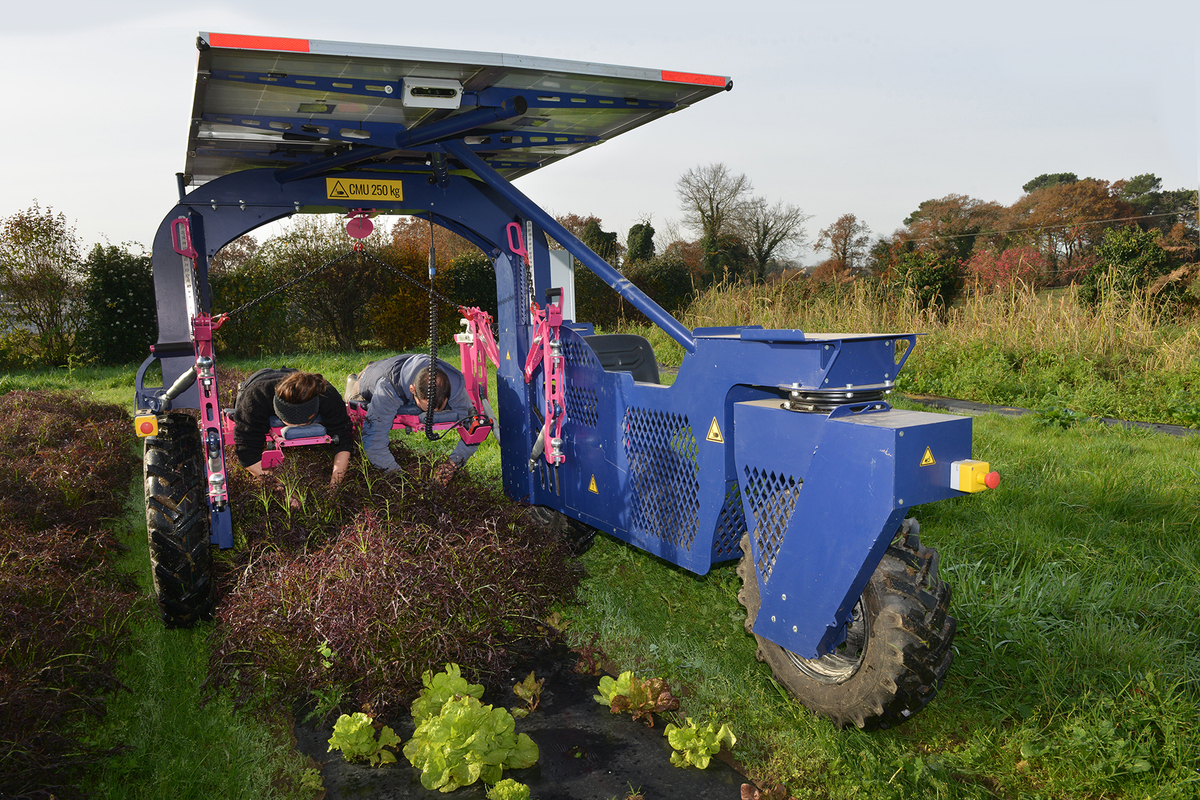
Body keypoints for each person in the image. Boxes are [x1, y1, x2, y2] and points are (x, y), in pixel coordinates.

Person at [346, 354, 491, 483]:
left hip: (405, 364)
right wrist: (400, 479)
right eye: (426, 408)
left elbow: (473, 431)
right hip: (370, 378)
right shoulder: (388, 389)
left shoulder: (452, 385)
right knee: (351, 407)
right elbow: (373, 443)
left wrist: (451, 465)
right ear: (412, 390)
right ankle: (352, 381)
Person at [230, 368, 353, 487]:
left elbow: (344, 439)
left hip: (292, 375)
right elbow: (247, 455)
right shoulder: (255, 398)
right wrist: (283, 491)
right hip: (257, 379)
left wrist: (335, 486)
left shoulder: (326, 393)